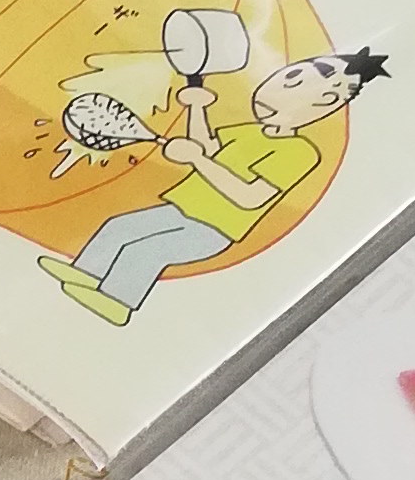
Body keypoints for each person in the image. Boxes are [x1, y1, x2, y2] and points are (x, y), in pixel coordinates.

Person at [39, 48, 386, 325]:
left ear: (326, 102)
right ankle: (87, 273)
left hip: (212, 229)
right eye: (290, 75)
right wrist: (196, 108)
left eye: (297, 84)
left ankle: (117, 302)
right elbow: (205, 146)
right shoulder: (248, 131)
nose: (278, 85)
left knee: (147, 252)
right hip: (181, 209)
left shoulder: (298, 153)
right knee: (120, 228)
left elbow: (249, 197)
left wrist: (198, 160)